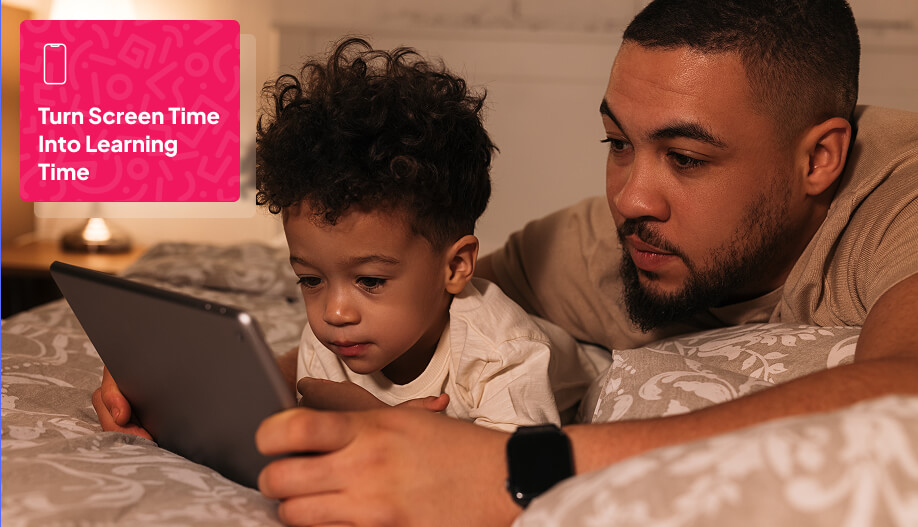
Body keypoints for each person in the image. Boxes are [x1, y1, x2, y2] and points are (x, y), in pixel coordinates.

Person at [248, 1, 918, 525]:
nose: (629, 196)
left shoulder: (902, 199)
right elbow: (423, 306)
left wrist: (511, 468)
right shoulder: (599, 244)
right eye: (618, 142)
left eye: (684, 158)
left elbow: (903, 393)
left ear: (818, 159)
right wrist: (211, 386)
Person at [92, 38, 602, 446]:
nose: (334, 311)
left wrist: (378, 421)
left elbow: (515, 473)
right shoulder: (334, 335)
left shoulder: (505, 353)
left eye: (370, 280)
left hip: (577, 373)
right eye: (310, 279)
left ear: (456, 267)